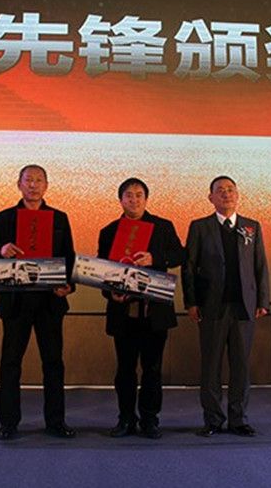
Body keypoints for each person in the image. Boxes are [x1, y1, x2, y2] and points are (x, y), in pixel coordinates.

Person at [0, 165, 76, 440]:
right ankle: (8, 423)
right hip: (16, 302)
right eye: (28, 180)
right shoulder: (3, 218)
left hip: (50, 301)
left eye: (38, 180)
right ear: (19, 184)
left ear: (46, 185)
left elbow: (69, 257)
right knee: (10, 363)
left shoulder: (59, 218)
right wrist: (1, 249)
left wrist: (69, 285)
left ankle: (56, 422)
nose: (33, 185)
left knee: (53, 363)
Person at [182, 175, 270, 437]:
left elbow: (260, 265)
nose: (226, 194)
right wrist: (191, 302)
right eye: (220, 190)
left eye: (230, 190)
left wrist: (263, 300)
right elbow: (188, 268)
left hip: (244, 307)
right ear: (211, 197)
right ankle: (213, 419)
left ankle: (238, 419)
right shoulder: (200, 227)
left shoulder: (251, 227)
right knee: (211, 366)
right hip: (211, 307)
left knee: (241, 366)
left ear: (237, 195)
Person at [97, 178, 184, 439]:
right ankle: (125, 419)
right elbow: (102, 271)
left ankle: (149, 419)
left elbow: (180, 255)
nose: (133, 200)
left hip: (154, 311)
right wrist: (111, 293)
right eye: (128, 195)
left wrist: (155, 258)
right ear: (120, 200)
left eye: (138, 195)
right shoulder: (109, 231)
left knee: (152, 369)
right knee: (125, 370)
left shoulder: (163, 226)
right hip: (123, 313)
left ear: (146, 199)